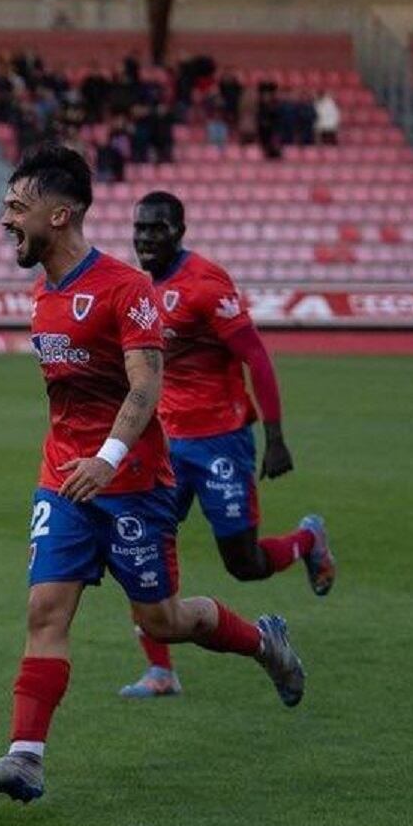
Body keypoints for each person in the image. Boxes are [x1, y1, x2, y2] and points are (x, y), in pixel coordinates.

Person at [0, 146, 307, 803]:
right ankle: (25, 757)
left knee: (162, 619)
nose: (5, 218)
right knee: (45, 609)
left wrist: (109, 458)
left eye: (17, 206)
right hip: (63, 481)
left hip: (135, 485)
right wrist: (79, 461)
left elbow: (147, 388)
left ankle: (265, 644)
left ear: (58, 215)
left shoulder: (126, 288)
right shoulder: (43, 294)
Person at [117, 191, 334, 698]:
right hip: (168, 443)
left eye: (158, 228)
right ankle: (161, 671)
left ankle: (307, 540)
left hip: (222, 441)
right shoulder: (141, 288)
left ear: (180, 231)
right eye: (140, 228)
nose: (146, 237)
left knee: (244, 564)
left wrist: (275, 437)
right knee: (136, 545)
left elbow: (256, 357)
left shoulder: (205, 284)